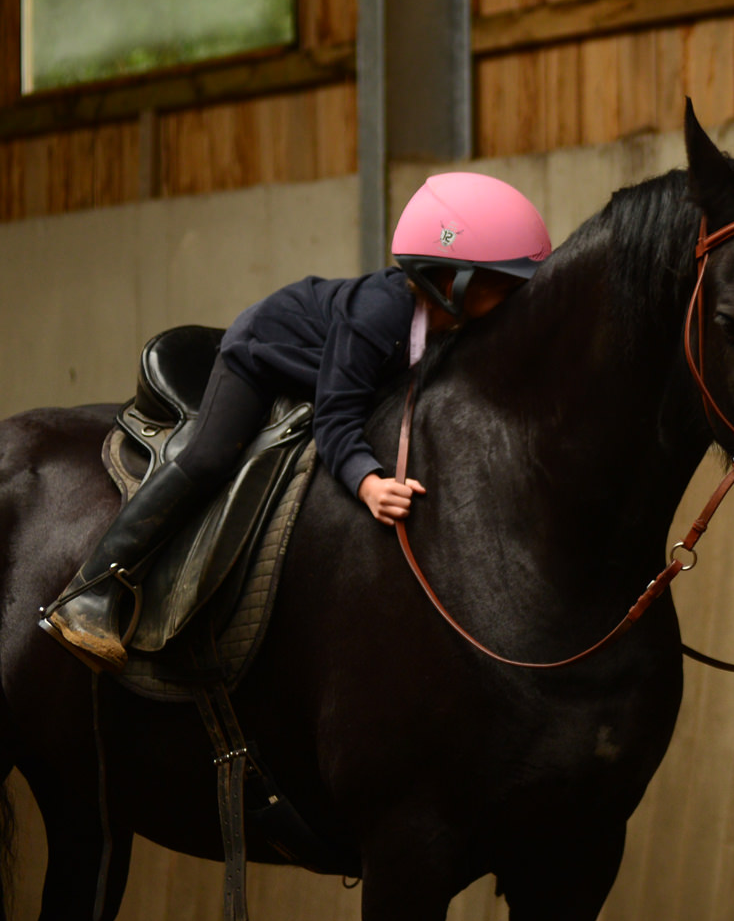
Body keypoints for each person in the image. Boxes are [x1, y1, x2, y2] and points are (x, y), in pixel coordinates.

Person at [39, 172, 552, 673]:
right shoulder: (379, 317)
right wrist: (367, 482)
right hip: (260, 355)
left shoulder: (446, 328)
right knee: (210, 456)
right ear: (451, 281)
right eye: (504, 286)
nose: (514, 300)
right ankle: (92, 589)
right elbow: (336, 415)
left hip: (325, 360)